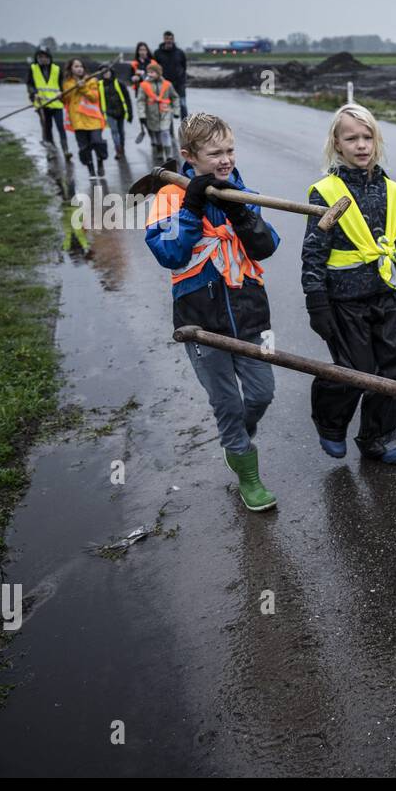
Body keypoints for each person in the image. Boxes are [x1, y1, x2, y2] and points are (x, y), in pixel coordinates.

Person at [144, 112, 281, 511]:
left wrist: (238, 211)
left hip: (249, 316)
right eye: (215, 152)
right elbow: (170, 253)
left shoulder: (243, 192)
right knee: (226, 403)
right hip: (200, 323)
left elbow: (266, 247)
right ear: (189, 155)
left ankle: (238, 436)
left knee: (261, 393)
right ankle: (248, 476)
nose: (225, 159)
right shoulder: (169, 198)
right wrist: (191, 205)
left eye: (230, 150)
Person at [302, 103, 396, 462]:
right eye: (351, 138)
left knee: (390, 371)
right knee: (355, 371)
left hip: (385, 297)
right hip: (344, 301)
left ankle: (379, 437)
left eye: (367, 136)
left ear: (377, 141)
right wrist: (317, 303)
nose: (361, 145)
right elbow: (313, 253)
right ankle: (329, 421)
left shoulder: (394, 193)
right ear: (337, 144)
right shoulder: (325, 192)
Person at [60, 58, 109, 178]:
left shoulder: (91, 80)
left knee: (97, 142)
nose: (79, 69)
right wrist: (60, 96)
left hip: (93, 119)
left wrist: (82, 87)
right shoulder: (67, 83)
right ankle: (91, 170)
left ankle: (100, 162)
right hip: (77, 121)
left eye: (81, 66)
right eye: (76, 66)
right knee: (84, 147)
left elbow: (94, 97)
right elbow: (67, 100)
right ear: (71, 69)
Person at [27, 46, 70, 160]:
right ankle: (51, 150)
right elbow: (30, 84)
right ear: (37, 58)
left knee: (61, 127)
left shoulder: (56, 69)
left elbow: (62, 84)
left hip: (56, 104)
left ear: (49, 57)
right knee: (47, 128)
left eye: (45, 56)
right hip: (42, 105)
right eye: (40, 57)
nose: (43, 59)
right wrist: (34, 93)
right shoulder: (33, 68)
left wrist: (61, 92)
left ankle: (66, 150)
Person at [134, 61, 181, 160]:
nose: (149, 74)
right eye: (148, 72)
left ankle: (168, 154)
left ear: (158, 73)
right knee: (156, 133)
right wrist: (142, 115)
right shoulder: (143, 85)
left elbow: (175, 97)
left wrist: (176, 111)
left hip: (165, 112)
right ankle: (159, 150)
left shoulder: (167, 84)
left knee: (165, 132)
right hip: (151, 114)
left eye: (152, 72)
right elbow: (140, 101)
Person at [100, 64, 133, 160]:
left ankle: (122, 148)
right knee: (114, 131)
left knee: (121, 132)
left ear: (111, 71)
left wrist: (130, 113)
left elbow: (127, 99)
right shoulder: (99, 85)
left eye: (107, 71)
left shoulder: (119, 83)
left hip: (121, 112)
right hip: (109, 113)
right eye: (103, 72)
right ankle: (118, 150)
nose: (105, 73)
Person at [153, 30, 189, 116]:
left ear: (173, 39)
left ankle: (186, 128)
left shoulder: (180, 52)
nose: (169, 40)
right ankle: (169, 129)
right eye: (167, 38)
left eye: (170, 39)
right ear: (164, 39)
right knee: (166, 107)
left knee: (182, 105)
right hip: (165, 84)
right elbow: (155, 68)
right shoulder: (157, 53)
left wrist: (183, 80)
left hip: (179, 84)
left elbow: (184, 67)